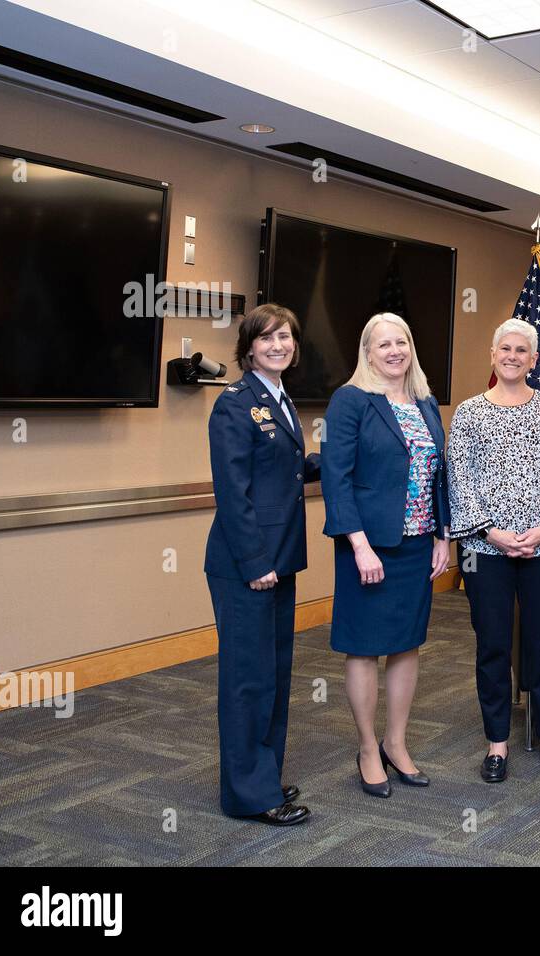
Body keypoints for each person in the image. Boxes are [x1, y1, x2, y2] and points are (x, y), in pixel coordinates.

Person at [447, 318, 540, 783]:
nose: (512, 356)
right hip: (485, 550)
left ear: (533, 358)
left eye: (521, 350)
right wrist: (493, 533)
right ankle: (497, 743)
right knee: (493, 646)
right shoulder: (468, 413)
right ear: (492, 354)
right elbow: (458, 480)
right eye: (504, 348)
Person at [321, 312, 450, 799]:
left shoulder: (425, 402)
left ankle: (396, 743)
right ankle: (367, 749)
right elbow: (336, 477)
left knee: (406, 643)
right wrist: (358, 545)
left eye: (402, 342)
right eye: (384, 344)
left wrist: (442, 534)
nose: (394, 351)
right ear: (367, 352)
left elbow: (439, 475)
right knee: (364, 647)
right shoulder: (350, 400)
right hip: (369, 548)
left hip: (418, 545)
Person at [205, 303, 321, 826]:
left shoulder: (280, 398)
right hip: (246, 563)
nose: (279, 345)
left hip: (280, 559)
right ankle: (249, 796)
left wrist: (338, 457)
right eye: (268, 337)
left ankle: (264, 773)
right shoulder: (235, 402)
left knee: (273, 673)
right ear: (249, 346)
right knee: (248, 678)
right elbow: (233, 492)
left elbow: (288, 471)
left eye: (287, 337)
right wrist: (254, 561)